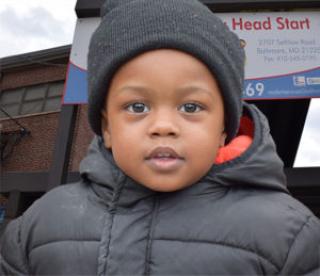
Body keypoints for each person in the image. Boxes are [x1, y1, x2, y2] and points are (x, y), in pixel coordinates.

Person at [1, 0, 320, 275]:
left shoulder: (290, 237)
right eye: (137, 106)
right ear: (108, 127)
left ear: (224, 129)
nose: (164, 125)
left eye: (191, 106)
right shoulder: (38, 226)